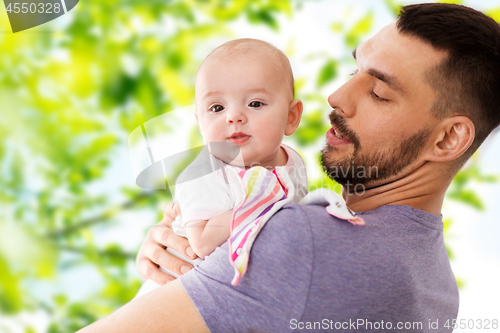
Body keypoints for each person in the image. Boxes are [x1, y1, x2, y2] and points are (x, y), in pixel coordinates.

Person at [79, 3, 500, 332]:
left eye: (377, 91)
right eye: (354, 69)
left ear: (448, 139)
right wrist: (191, 267)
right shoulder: (438, 289)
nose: (337, 96)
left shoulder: (297, 239)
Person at [135, 38, 308, 296]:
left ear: (290, 117)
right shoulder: (202, 174)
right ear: (200, 122)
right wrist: (259, 207)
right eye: (217, 107)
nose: (233, 116)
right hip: (172, 289)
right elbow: (202, 243)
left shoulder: (293, 162)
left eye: (255, 103)